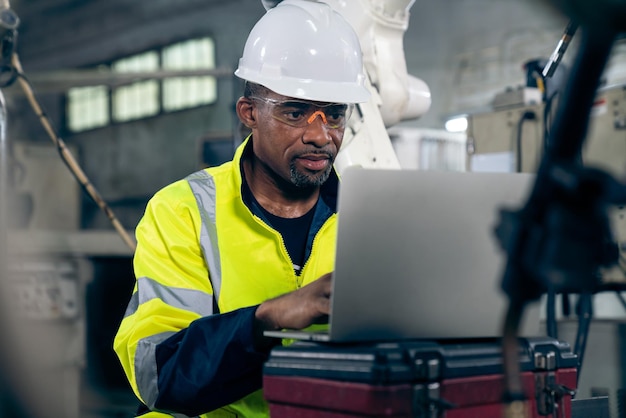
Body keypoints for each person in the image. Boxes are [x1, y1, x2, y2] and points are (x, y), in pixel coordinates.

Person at [113, 0, 370, 417]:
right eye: (295, 112)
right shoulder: (184, 211)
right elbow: (160, 373)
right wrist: (269, 318)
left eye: (334, 115)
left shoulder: (369, 215)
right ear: (249, 113)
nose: (321, 135)